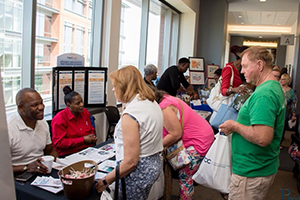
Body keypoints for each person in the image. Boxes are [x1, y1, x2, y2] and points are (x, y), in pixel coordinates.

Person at [219, 46, 286, 200]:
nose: (242, 71)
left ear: (260, 65)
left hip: (252, 170)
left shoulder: (264, 94)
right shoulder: (273, 87)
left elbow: (262, 137)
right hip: (260, 166)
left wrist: (235, 126)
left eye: (245, 66)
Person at [95, 65, 163, 199]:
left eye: (115, 86)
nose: (113, 90)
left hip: (137, 172)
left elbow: (131, 162)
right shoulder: (150, 103)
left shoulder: (131, 115)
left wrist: (105, 181)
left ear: (125, 86)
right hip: (153, 163)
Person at [153, 88, 214, 199]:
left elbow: (175, 134)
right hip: (203, 136)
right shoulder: (167, 98)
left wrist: (154, 147)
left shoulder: (164, 108)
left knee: (185, 176)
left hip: (198, 142)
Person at [7, 88, 59, 175]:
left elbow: (50, 151)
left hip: (41, 170)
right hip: (17, 175)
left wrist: (57, 163)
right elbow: (2, 167)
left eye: (41, 103)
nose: (41, 107)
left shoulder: (42, 123)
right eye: (35, 105)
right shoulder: (9, 129)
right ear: (21, 108)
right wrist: (26, 167)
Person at [51, 86, 97, 157]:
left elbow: (91, 129)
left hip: (87, 150)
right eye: (77, 103)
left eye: (81, 101)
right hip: (69, 153)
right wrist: (83, 140)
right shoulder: (60, 118)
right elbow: (59, 143)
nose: (81, 105)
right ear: (68, 104)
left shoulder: (85, 112)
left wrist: (92, 136)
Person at [279, 73, 297, 149]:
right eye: (281, 79)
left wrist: (293, 114)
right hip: (277, 110)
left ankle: (279, 143)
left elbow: (293, 103)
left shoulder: (291, 92)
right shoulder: (278, 88)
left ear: (287, 81)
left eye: (283, 79)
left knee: (282, 127)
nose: (281, 80)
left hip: (285, 112)